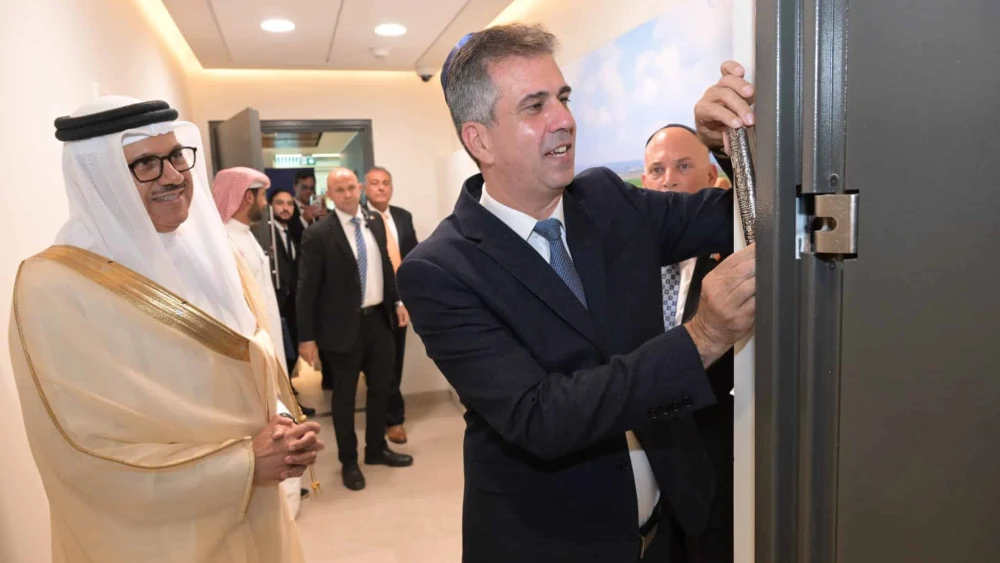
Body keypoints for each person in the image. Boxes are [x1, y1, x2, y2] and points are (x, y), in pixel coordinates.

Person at [396, 25, 756, 562]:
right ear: (480, 139)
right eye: (535, 106)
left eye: (562, 98)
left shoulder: (607, 200)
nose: (564, 119)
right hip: (551, 542)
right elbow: (541, 417)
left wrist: (728, 147)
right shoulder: (440, 270)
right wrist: (702, 337)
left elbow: (730, 218)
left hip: (673, 526)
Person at [9, 96, 323, 563]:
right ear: (100, 179)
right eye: (146, 164)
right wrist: (243, 464)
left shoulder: (215, 256)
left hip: (255, 506)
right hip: (160, 538)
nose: (173, 176)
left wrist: (275, 422)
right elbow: (81, 452)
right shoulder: (52, 286)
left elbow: (243, 357)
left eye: (177, 156)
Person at [643, 124, 735, 562]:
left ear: (714, 178)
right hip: (645, 461)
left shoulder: (732, 257)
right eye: (656, 170)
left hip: (716, 463)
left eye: (683, 166)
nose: (669, 179)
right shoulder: (624, 262)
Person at [297, 167, 414, 491]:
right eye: (340, 190)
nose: (348, 194)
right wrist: (306, 337)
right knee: (344, 399)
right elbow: (307, 289)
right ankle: (349, 461)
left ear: (359, 188)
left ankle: (376, 449)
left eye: (351, 187)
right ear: (330, 195)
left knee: (381, 388)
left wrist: (397, 302)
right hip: (341, 329)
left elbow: (387, 269)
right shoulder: (319, 234)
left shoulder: (374, 222)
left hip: (379, 321)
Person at [363, 166, 419, 444]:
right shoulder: (359, 220)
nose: (381, 188)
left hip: (403, 301)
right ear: (365, 189)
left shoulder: (402, 216)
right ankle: (389, 420)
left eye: (386, 182)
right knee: (379, 366)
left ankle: (392, 417)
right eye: (375, 183)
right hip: (375, 305)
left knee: (395, 361)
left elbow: (412, 256)